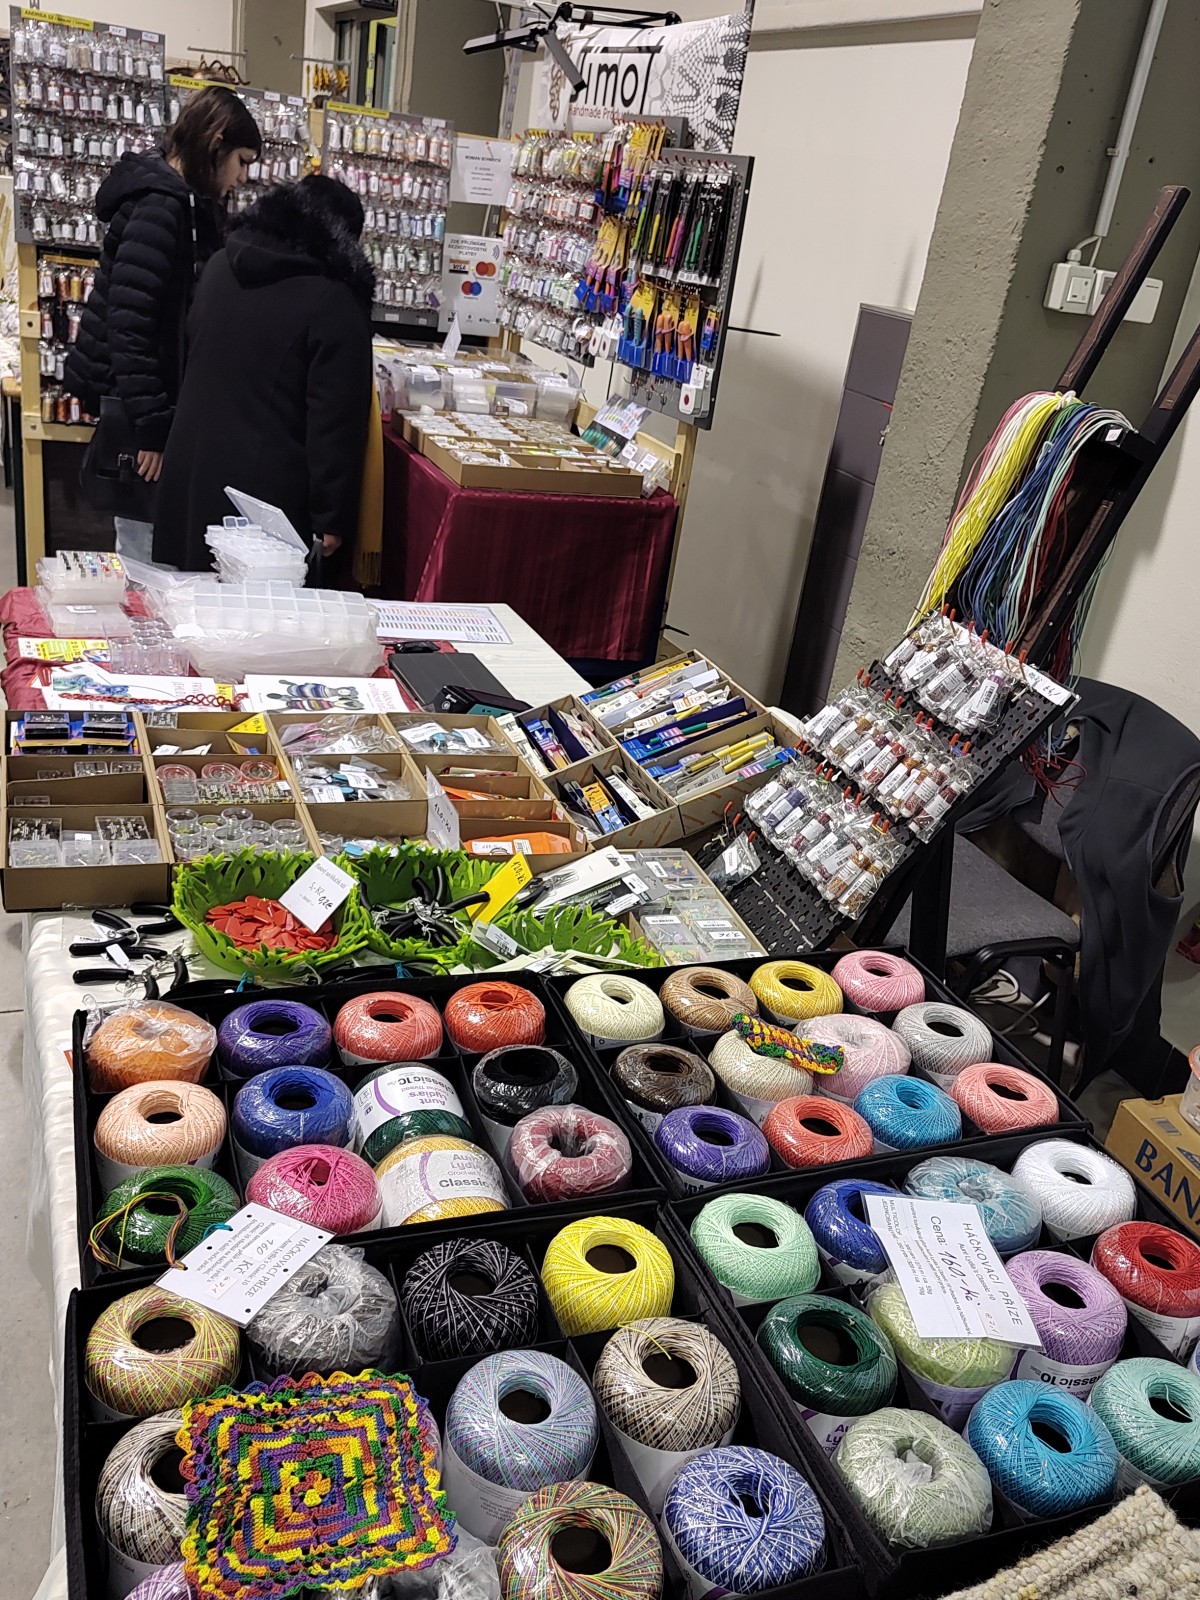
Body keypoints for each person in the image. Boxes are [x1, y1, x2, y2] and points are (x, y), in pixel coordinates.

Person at [66, 87, 263, 563]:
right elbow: (130, 325)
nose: (242, 177)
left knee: (152, 547)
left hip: (152, 408)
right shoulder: (161, 205)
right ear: (215, 143)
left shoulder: (183, 203)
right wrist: (152, 427)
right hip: (141, 418)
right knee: (144, 555)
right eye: (241, 161)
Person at [152, 175, 375, 577]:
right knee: (261, 609)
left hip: (192, 473)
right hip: (268, 502)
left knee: (192, 600)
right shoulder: (333, 301)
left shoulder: (219, 266)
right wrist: (331, 515)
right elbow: (335, 419)